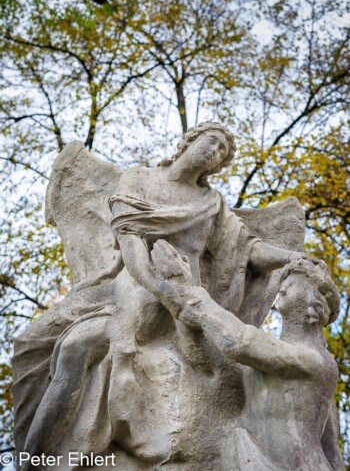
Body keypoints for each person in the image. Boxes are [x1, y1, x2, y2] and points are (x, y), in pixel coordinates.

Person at [15, 123, 316, 469]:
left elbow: (251, 251)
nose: (214, 152)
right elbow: (131, 244)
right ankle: (32, 459)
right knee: (58, 347)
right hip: (133, 291)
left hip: (188, 300)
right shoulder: (138, 179)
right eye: (211, 142)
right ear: (190, 140)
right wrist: (161, 288)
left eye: (221, 152)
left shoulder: (212, 203)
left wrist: (292, 257)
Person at [150, 240, 344, 470]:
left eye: (292, 282)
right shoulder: (268, 361)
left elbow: (240, 341)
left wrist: (191, 293)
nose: (282, 288)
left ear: (315, 301)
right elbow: (216, 356)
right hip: (252, 459)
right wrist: (178, 284)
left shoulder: (316, 360)